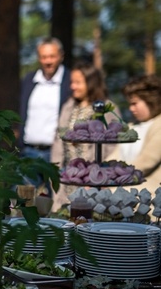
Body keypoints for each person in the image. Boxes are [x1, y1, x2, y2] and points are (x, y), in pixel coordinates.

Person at [49, 61, 118, 211]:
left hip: (92, 183)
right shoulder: (69, 106)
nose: (73, 86)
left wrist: (95, 178)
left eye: (78, 82)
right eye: (72, 82)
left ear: (91, 82)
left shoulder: (106, 109)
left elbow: (114, 149)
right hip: (67, 181)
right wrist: (54, 173)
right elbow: (58, 141)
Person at [18, 37, 72, 163]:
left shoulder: (70, 82)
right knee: (22, 183)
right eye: (44, 57)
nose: (48, 61)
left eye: (52, 56)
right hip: (28, 152)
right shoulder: (29, 80)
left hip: (57, 154)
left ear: (61, 56)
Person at [107, 74, 161, 188]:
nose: (131, 108)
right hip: (122, 191)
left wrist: (113, 177)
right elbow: (116, 156)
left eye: (134, 103)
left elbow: (147, 161)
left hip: (148, 198)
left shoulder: (159, 124)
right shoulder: (132, 126)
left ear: (151, 100)